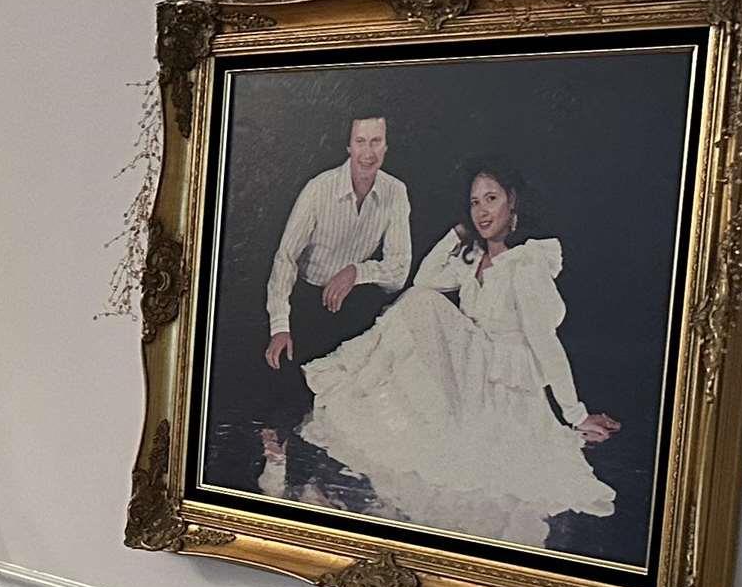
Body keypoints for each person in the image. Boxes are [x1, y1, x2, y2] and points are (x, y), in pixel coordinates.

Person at [297, 159, 622, 547]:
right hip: (470, 374)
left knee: (419, 306)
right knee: (418, 299)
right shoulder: (472, 260)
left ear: (513, 202)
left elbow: (545, 344)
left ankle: (360, 385)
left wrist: (576, 413)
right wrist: (457, 233)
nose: (482, 211)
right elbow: (425, 279)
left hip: (503, 386)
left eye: (491, 199)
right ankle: (362, 388)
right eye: (474, 203)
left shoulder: (525, 265)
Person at [260, 113, 410, 442]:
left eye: (375, 142)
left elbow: (399, 271)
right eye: (360, 142)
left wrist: (357, 271)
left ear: (386, 147)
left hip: (354, 306)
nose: (368, 152)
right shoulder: (319, 189)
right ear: (348, 146)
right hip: (305, 304)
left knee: (352, 409)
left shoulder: (395, 192)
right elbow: (285, 259)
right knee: (288, 405)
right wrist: (280, 327)